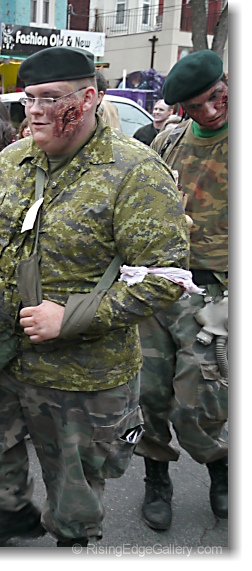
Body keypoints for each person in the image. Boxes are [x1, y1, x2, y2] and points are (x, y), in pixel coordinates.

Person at [0, 47, 193, 547]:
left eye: (51, 98)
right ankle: (14, 518)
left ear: (88, 99)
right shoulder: (10, 161)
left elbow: (166, 277)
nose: (35, 111)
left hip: (82, 377)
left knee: (74, 500)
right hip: (5, 357)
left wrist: (72, 317)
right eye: (28, 99)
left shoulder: (134, 171)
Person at [135, 49, 228, 530]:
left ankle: (220, 467)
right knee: (150, 391)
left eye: (217, 97)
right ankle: (156, 477)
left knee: (202, 396)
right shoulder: (168, 142)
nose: (210, 110)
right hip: (163, 283)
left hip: (217, 291)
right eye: (196, 106)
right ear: (182, 109)